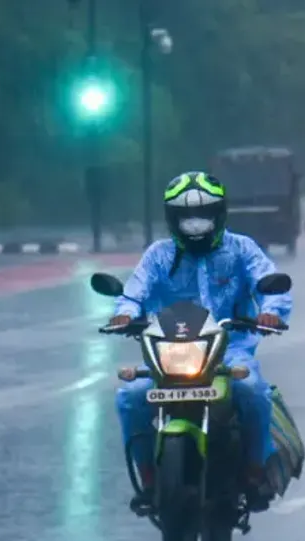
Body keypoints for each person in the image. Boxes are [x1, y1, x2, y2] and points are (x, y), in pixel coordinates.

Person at [109, 171, 292, 514]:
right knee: (130, 398)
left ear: (219, 214)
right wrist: (124, 313)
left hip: (231, 348)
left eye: (203, 216)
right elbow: (134, 292)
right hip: (170, 352)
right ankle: (149, 477)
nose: (195, 226)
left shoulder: (241, 249)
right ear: (172, 218)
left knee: (253, 392)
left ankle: (254, 472)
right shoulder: (157, 256)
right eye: (186, 218)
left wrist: (270, 311)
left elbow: (266, 280)